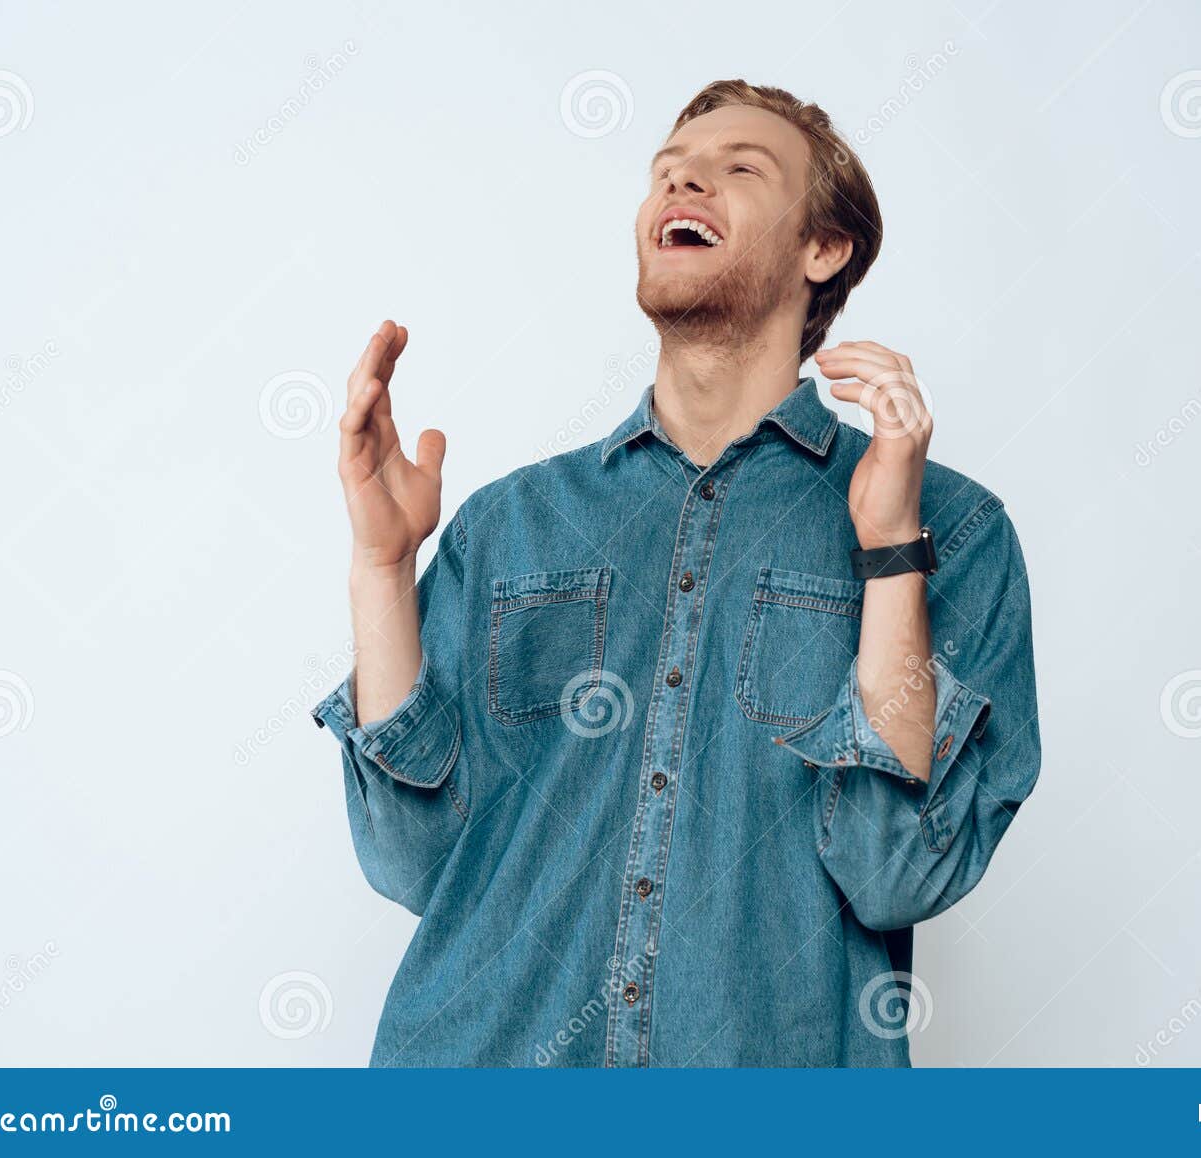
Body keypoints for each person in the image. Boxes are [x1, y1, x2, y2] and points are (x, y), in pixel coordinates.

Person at [312, 79, 1041, 1066]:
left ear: (822, 249)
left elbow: (894, 874)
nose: (683, 180)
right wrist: (381, 564)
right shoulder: (513, 524)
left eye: (741, 169)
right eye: (666, 172)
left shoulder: (952, 528)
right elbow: (413, 860)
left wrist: (887, 551)